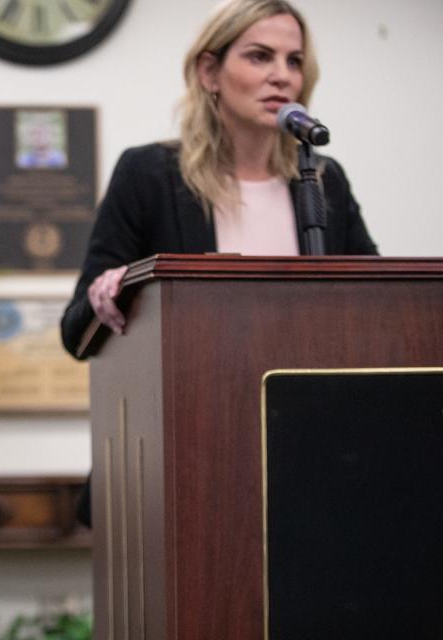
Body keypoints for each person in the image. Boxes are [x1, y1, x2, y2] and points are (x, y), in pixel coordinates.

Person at [62, 0, 378, 524]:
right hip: (181, 465)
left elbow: (378, 308)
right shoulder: (150, 175)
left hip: (306, 457)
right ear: (210, 71)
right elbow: (75, 331)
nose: (281, 75)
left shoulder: (323, 181)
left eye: (294, 61)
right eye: (259, 56)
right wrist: (118, 292)